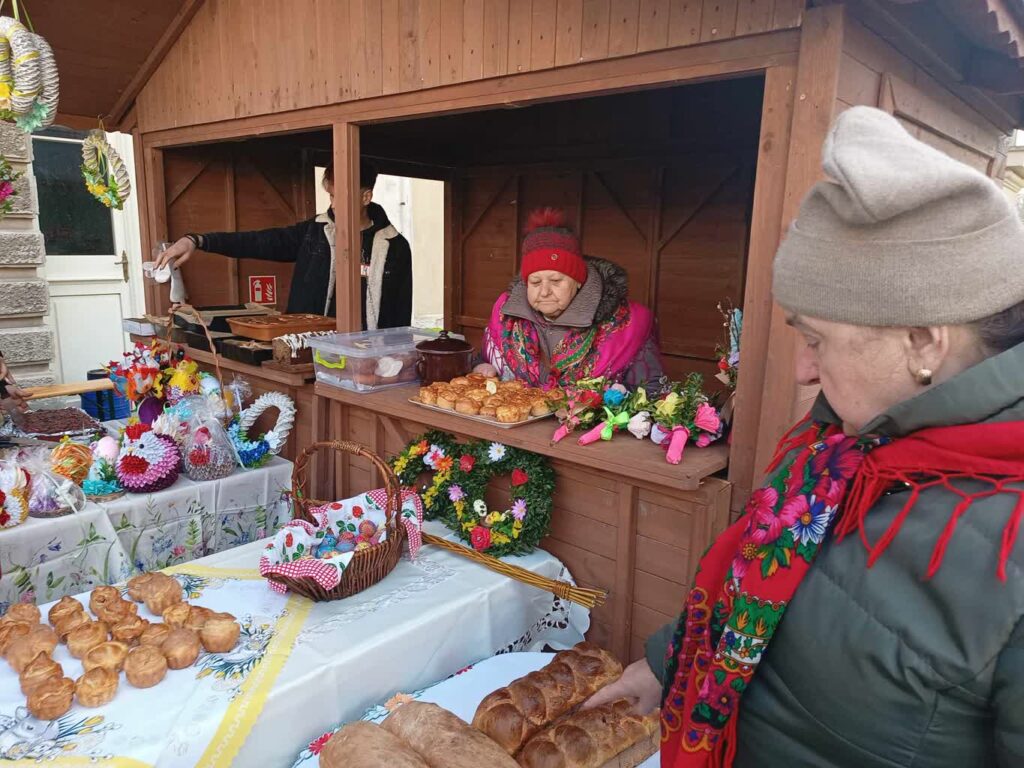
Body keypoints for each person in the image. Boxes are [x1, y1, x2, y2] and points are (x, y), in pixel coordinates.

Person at [586, 106, 1024, 767]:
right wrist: (667, 665)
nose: (802, 370)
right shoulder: (836, 451)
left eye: (816, 339)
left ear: (925, 341)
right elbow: (762, 588)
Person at [156, 163, 413, 329]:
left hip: (366, 362)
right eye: (331, 195)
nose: (333, 204)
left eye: (341, 196)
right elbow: (258, 241)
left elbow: (401, 314)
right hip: (308, 353)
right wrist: (198, 241)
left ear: (365, 197)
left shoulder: (395, 246)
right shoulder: (314, 232)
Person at [482, 208, 663, 389]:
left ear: (578, 281)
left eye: (556, 281)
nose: (544, 292)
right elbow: (486, 359)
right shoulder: (505, 314)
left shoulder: (628, 323)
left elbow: (650, 391)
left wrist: (618, 397)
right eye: (535, 282)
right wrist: (481, 367)